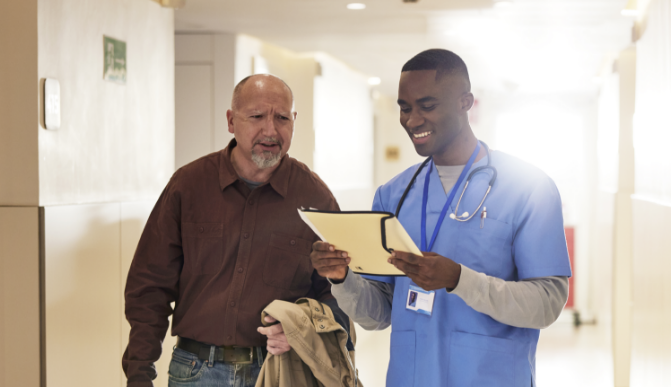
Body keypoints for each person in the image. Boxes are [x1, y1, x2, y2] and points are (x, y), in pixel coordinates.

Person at [310, 49, 572, 386]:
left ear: (466, 102)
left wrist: (459, 279)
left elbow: (547, 303)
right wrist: (342, 277)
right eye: (405, 108)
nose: (412, 120)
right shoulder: (394, 194)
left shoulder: (528, 188)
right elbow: (379, 315)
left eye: (427, 106)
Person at [123, 74, 350, 387]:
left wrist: (303, 331)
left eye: (282, 118)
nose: (270, 130)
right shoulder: (188, 186)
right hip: (196, 371)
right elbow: (149, 285)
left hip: (280, 372)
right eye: (256, 116)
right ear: (231, 121)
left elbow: (340, 295)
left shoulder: (315, 199)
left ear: (294, 121)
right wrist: (139, 372)